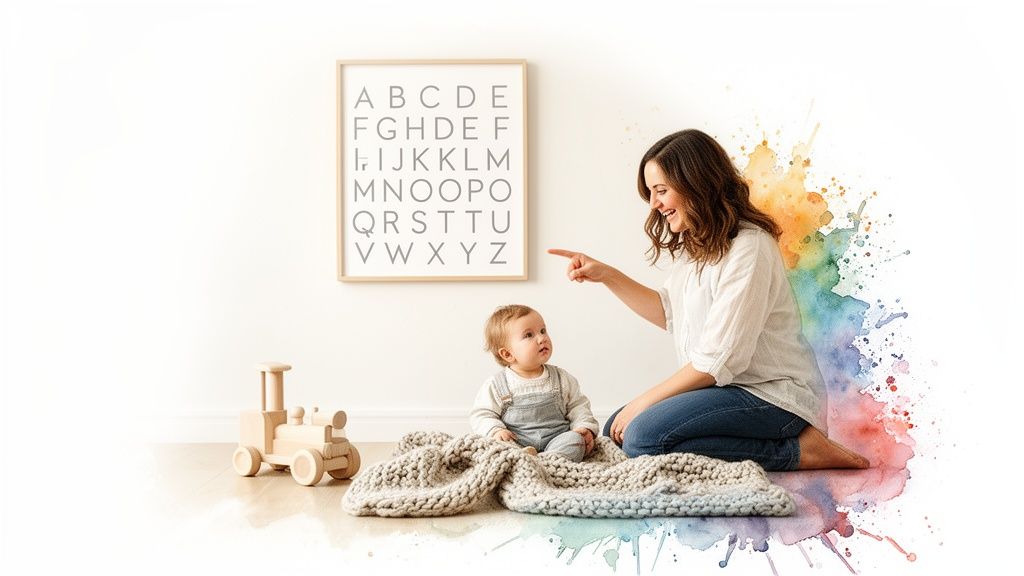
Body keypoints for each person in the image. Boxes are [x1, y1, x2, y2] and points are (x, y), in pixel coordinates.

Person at [548, 129, 869, 471]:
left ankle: (802, 450)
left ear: (695, 184)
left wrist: (644, 400)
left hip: (773, 395)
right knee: (618, 429)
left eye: (661, 191)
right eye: (652, 194)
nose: (655, 205)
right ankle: (788, 447)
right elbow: (670, 313)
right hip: (729, 390)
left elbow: (716, 360)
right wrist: (607, 275)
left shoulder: (750, 246)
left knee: (642, 437)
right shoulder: (700, 247)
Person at [470, 304, 599, 462]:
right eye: (529, 335)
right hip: (518, 443)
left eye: (543, 331)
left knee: (575, 441)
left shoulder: (561, 378)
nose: (542, 338)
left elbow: (578, 406)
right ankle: (525, 459)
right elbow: (481, 414)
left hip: (556, 441)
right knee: (498, 448)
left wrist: (583, 427)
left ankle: (547, 461)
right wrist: (495, 430)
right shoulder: (496, 385)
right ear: (508, 354)